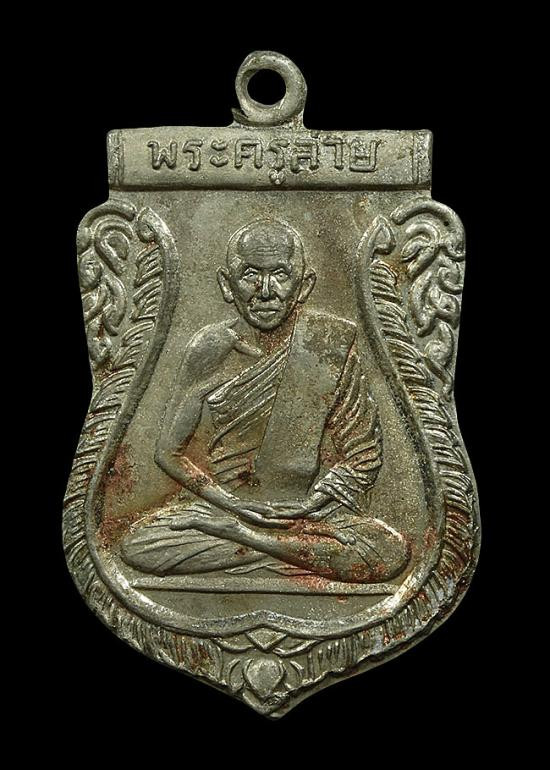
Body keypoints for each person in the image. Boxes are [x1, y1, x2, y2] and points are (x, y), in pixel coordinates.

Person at [121, 219, 410, 583]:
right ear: (227, 285)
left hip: (303, 515)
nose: (266, 291)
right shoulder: (209, 348)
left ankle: (250, 543)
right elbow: (168, 453)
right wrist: (232, 505)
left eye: (280, 274)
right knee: (139, 543)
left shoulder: (328, 342)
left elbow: (363, 455)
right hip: (223, 507)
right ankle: (296, 555)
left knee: (390, 550)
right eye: (250, 275)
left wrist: (311, 504)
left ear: (304, 286)